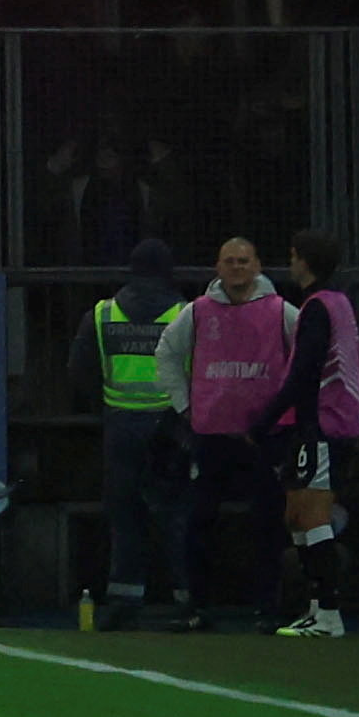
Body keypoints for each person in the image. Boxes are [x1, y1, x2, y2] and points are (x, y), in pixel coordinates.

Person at [155, 233, 294, 631]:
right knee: (201, 523)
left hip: (264, 436)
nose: (237, 267)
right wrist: (186, 407)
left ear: (258, 266)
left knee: (267, 524)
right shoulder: (198, 312)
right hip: (212, 434)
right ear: (217, 267)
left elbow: (308, 356)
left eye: (244, 260)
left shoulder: (281, 311)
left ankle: (266, 607)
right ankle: (198, 606)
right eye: (230, 261)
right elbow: (166, 352)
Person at [88, 236, 191, 621]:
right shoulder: (185, 314)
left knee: (124, 515)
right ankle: (185, 599)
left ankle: (123, 599)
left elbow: (79, 371)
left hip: (120, 424)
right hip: (172, 426)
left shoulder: (103, 313)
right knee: (176, 515)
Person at [272, 228, 359, 635]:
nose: (291, 263)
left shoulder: (317, 309)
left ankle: (329, 611)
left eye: (294, 256)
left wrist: (265, 419)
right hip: (325, 421)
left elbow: (304, 372)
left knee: (313, 515)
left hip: (325, 422)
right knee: (296, 515)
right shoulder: (336, 303)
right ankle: (316, 607)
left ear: (305, 261)